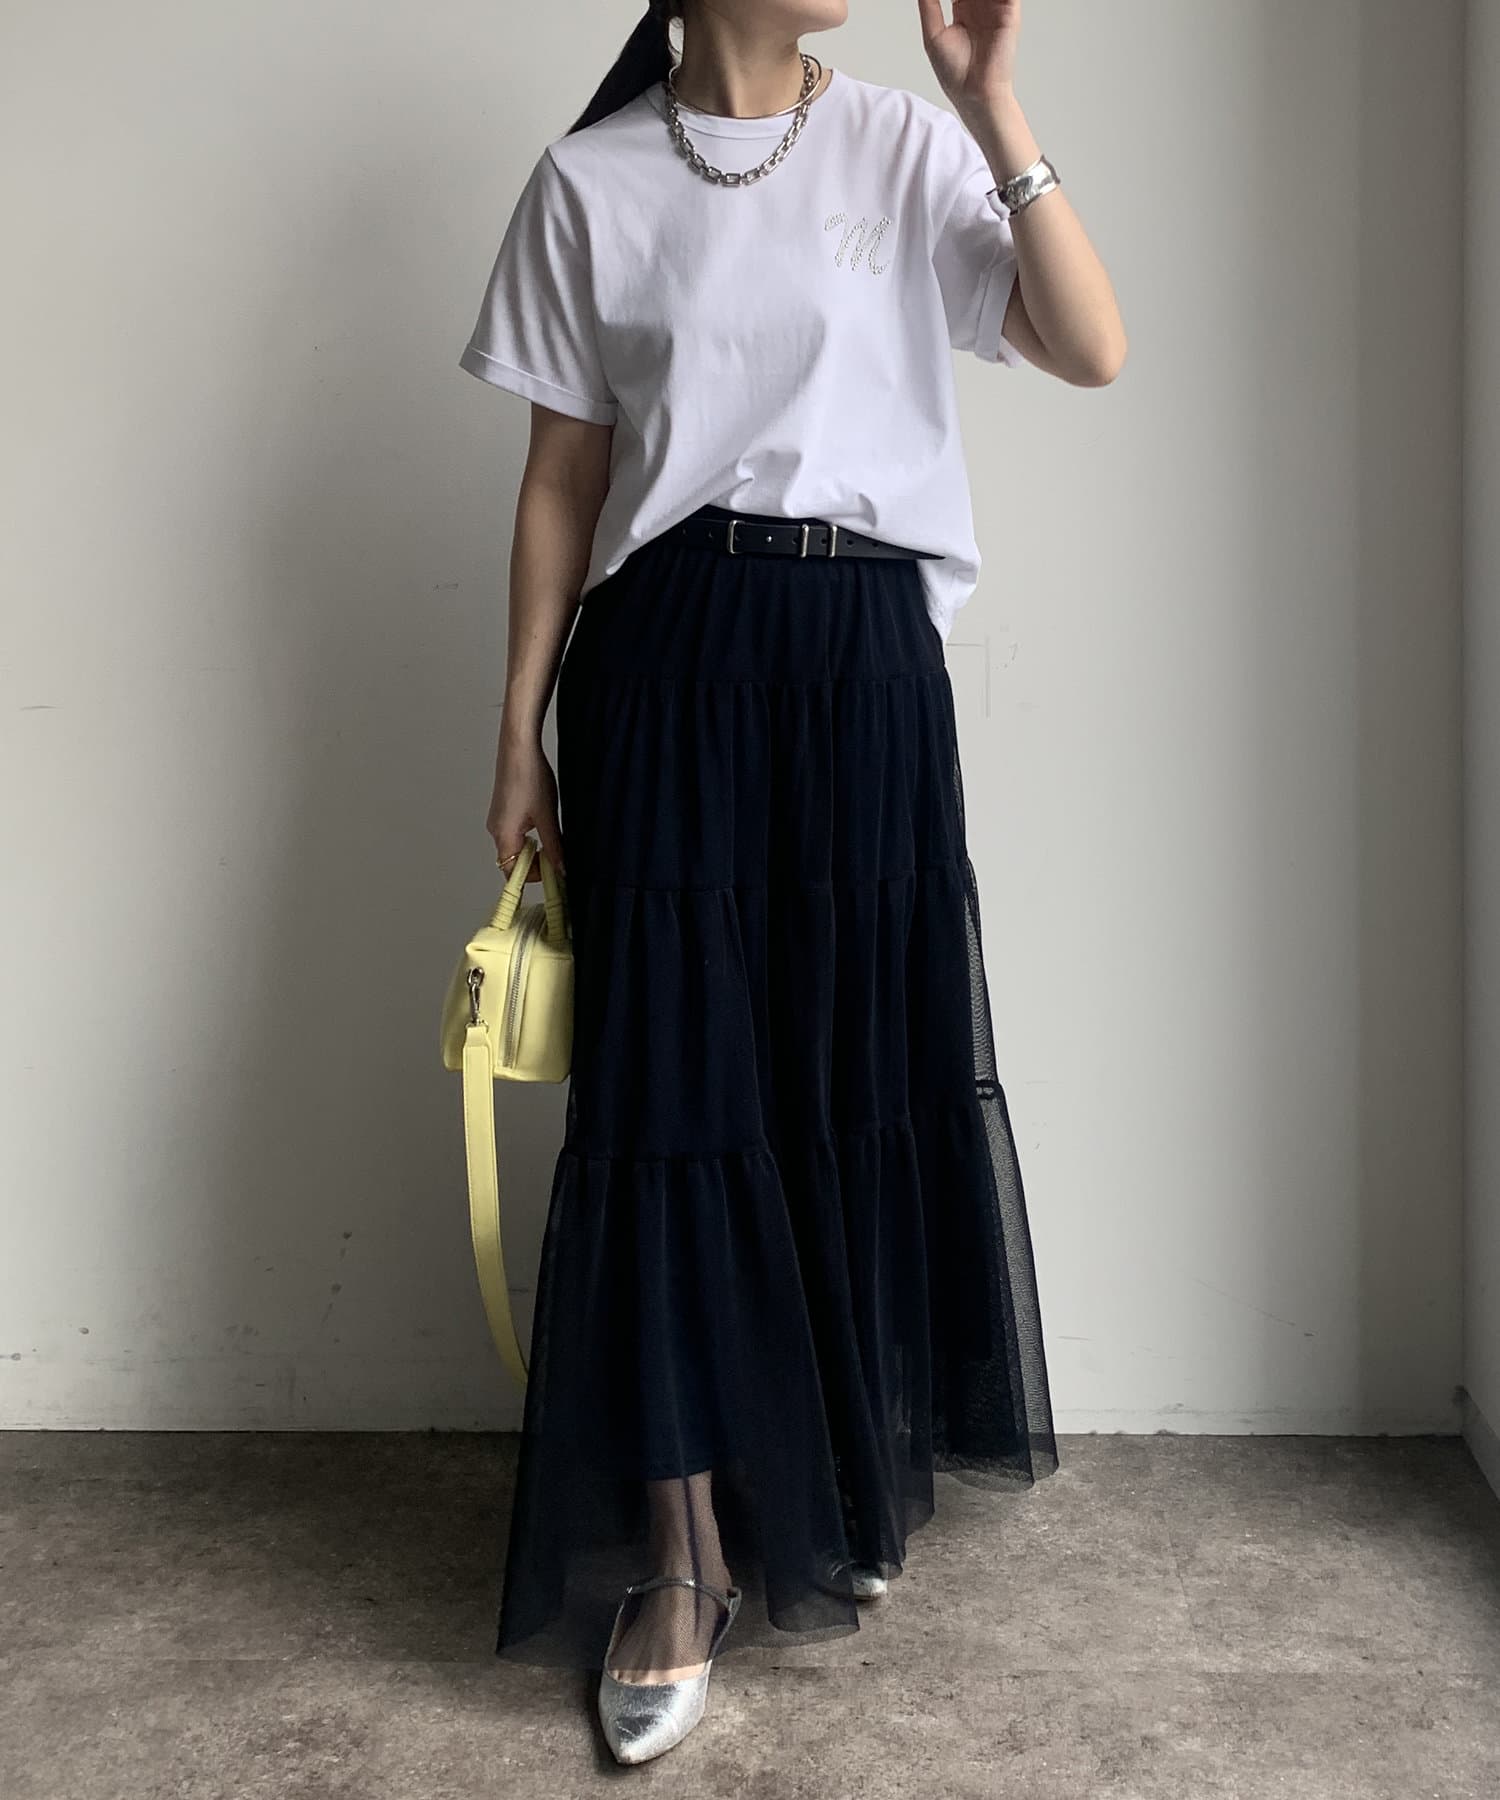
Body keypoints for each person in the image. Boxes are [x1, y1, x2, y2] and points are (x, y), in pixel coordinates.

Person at [457, 0, 1125, 1766]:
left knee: (853, 1074)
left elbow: (1091, 346)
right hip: (669, 664)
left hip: (866, 664)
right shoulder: (591, 183)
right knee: (670, 1103)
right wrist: (518, 734)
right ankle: (680, 1562)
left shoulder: (904, 141)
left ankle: (828, 1480)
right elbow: (561, 475)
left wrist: (995, 105)